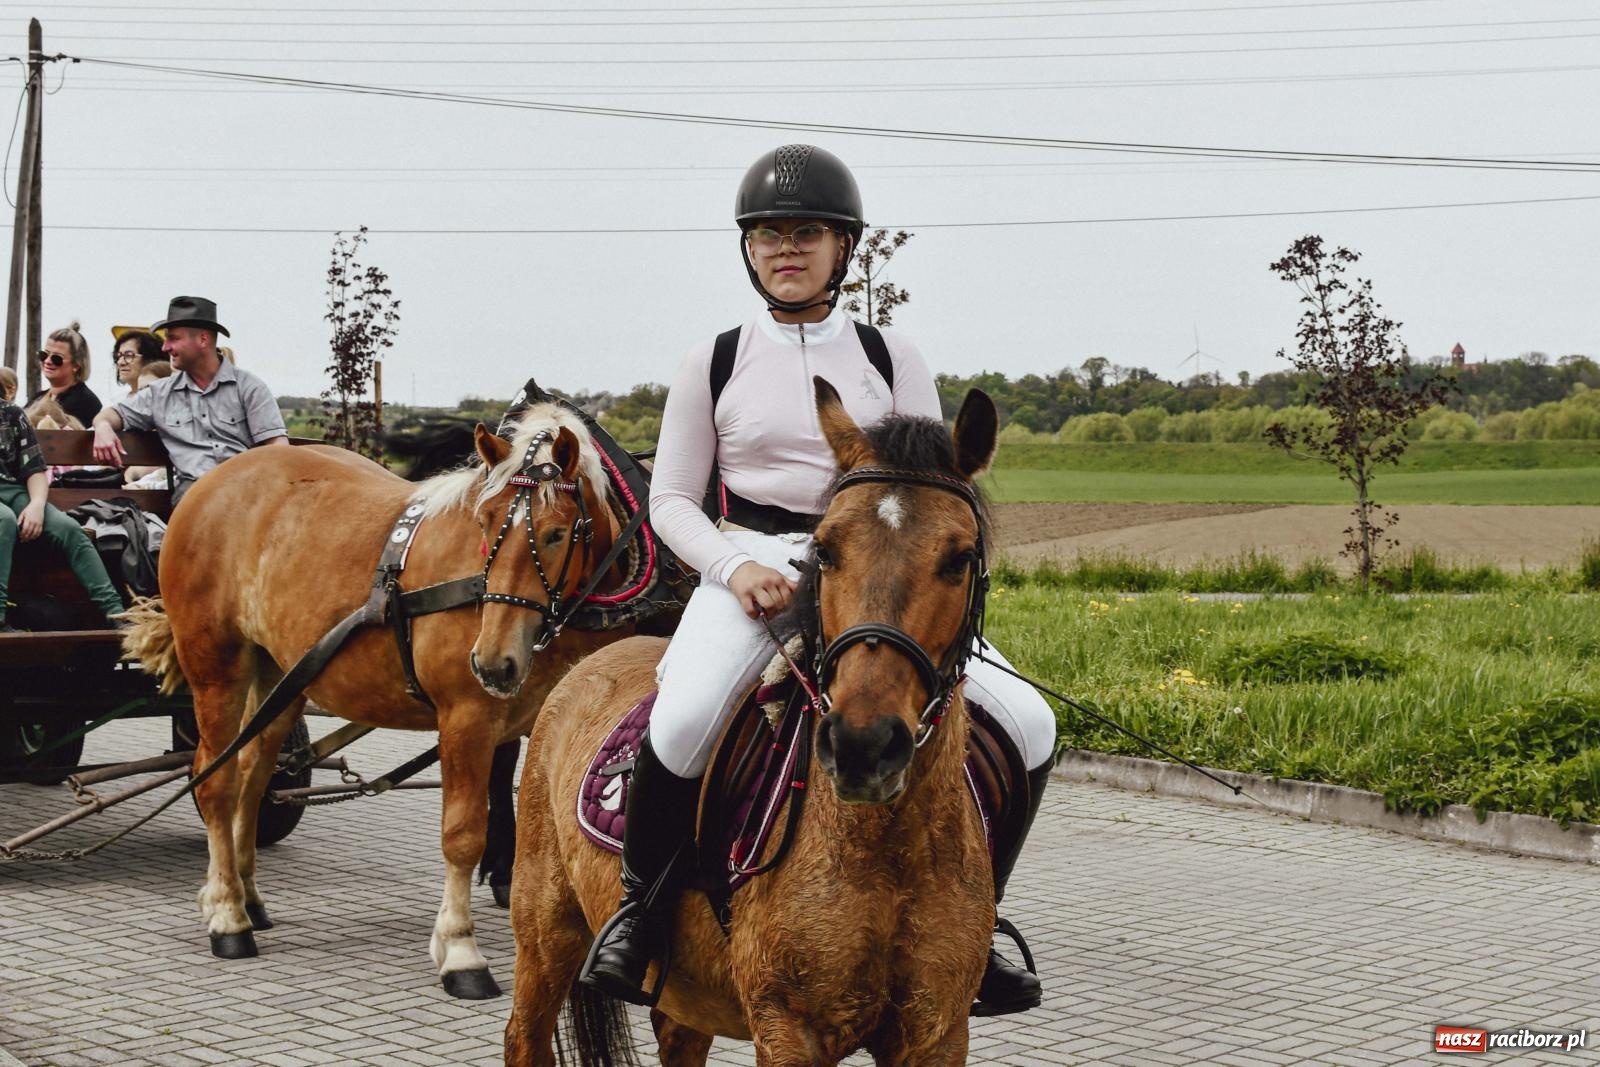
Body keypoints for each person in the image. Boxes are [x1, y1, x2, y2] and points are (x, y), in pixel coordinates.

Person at [579, 145, 1058, 1017]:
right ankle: (639, 916)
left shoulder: (890, 352)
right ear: (748, 249)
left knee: (1029, 717)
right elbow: (673, 499)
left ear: (844, 247)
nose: (784, 248)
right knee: (683, 717)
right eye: (766, 234)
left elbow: (934, 482)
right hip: (754, 569)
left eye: (806, 233)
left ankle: (978, 925)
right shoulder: (714, 360)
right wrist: (734, 566)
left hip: (880, 577)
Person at [91, 296, 288, 503]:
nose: (165, 347)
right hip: (194, 494)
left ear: (203, 339)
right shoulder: (159, 394)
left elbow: (277, 447)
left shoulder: (249, 387)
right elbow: (113, 414)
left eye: (173, 338)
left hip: (245, 489)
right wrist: (103, 426)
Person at [0, 390, 126, 632]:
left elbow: (34, 470)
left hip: (15, 491)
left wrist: (36, 505)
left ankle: (117, 613)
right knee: (4, 520)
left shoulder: (11, 413)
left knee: (68, 529)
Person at [29, 323, 102, 428]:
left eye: (57, 358)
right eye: (44, 355)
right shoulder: (37, 398)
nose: (47, 361)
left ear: (76, 365)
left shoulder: (86, 401)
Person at [110, 326, 166, 395]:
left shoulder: (165, 399)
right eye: (118, 356)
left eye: (128, 355)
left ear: (150, 359)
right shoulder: (117, 401)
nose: (120, 362)